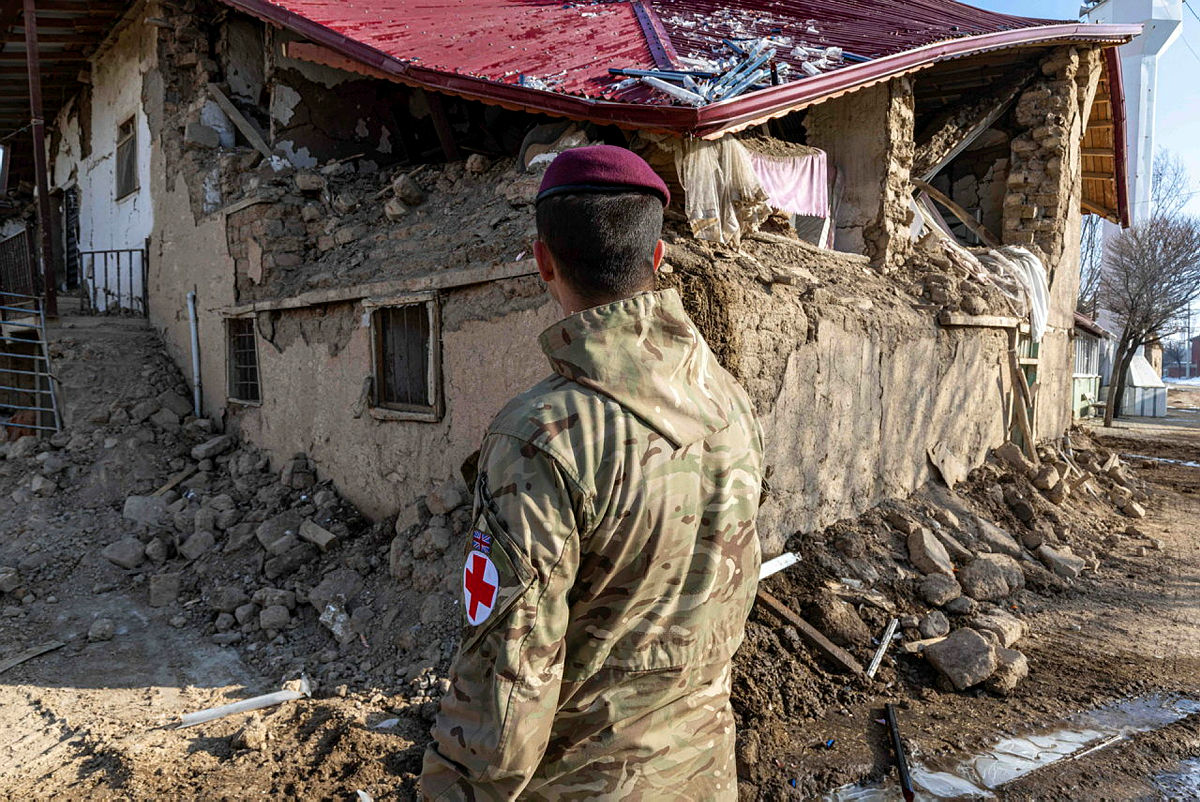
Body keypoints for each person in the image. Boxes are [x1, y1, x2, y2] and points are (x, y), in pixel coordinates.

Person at [421, 144, 765, 801]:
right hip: (704, 774)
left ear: (543, 260)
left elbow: (509, 678)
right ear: (657, 259)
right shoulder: (729, 403)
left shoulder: (539, 437)